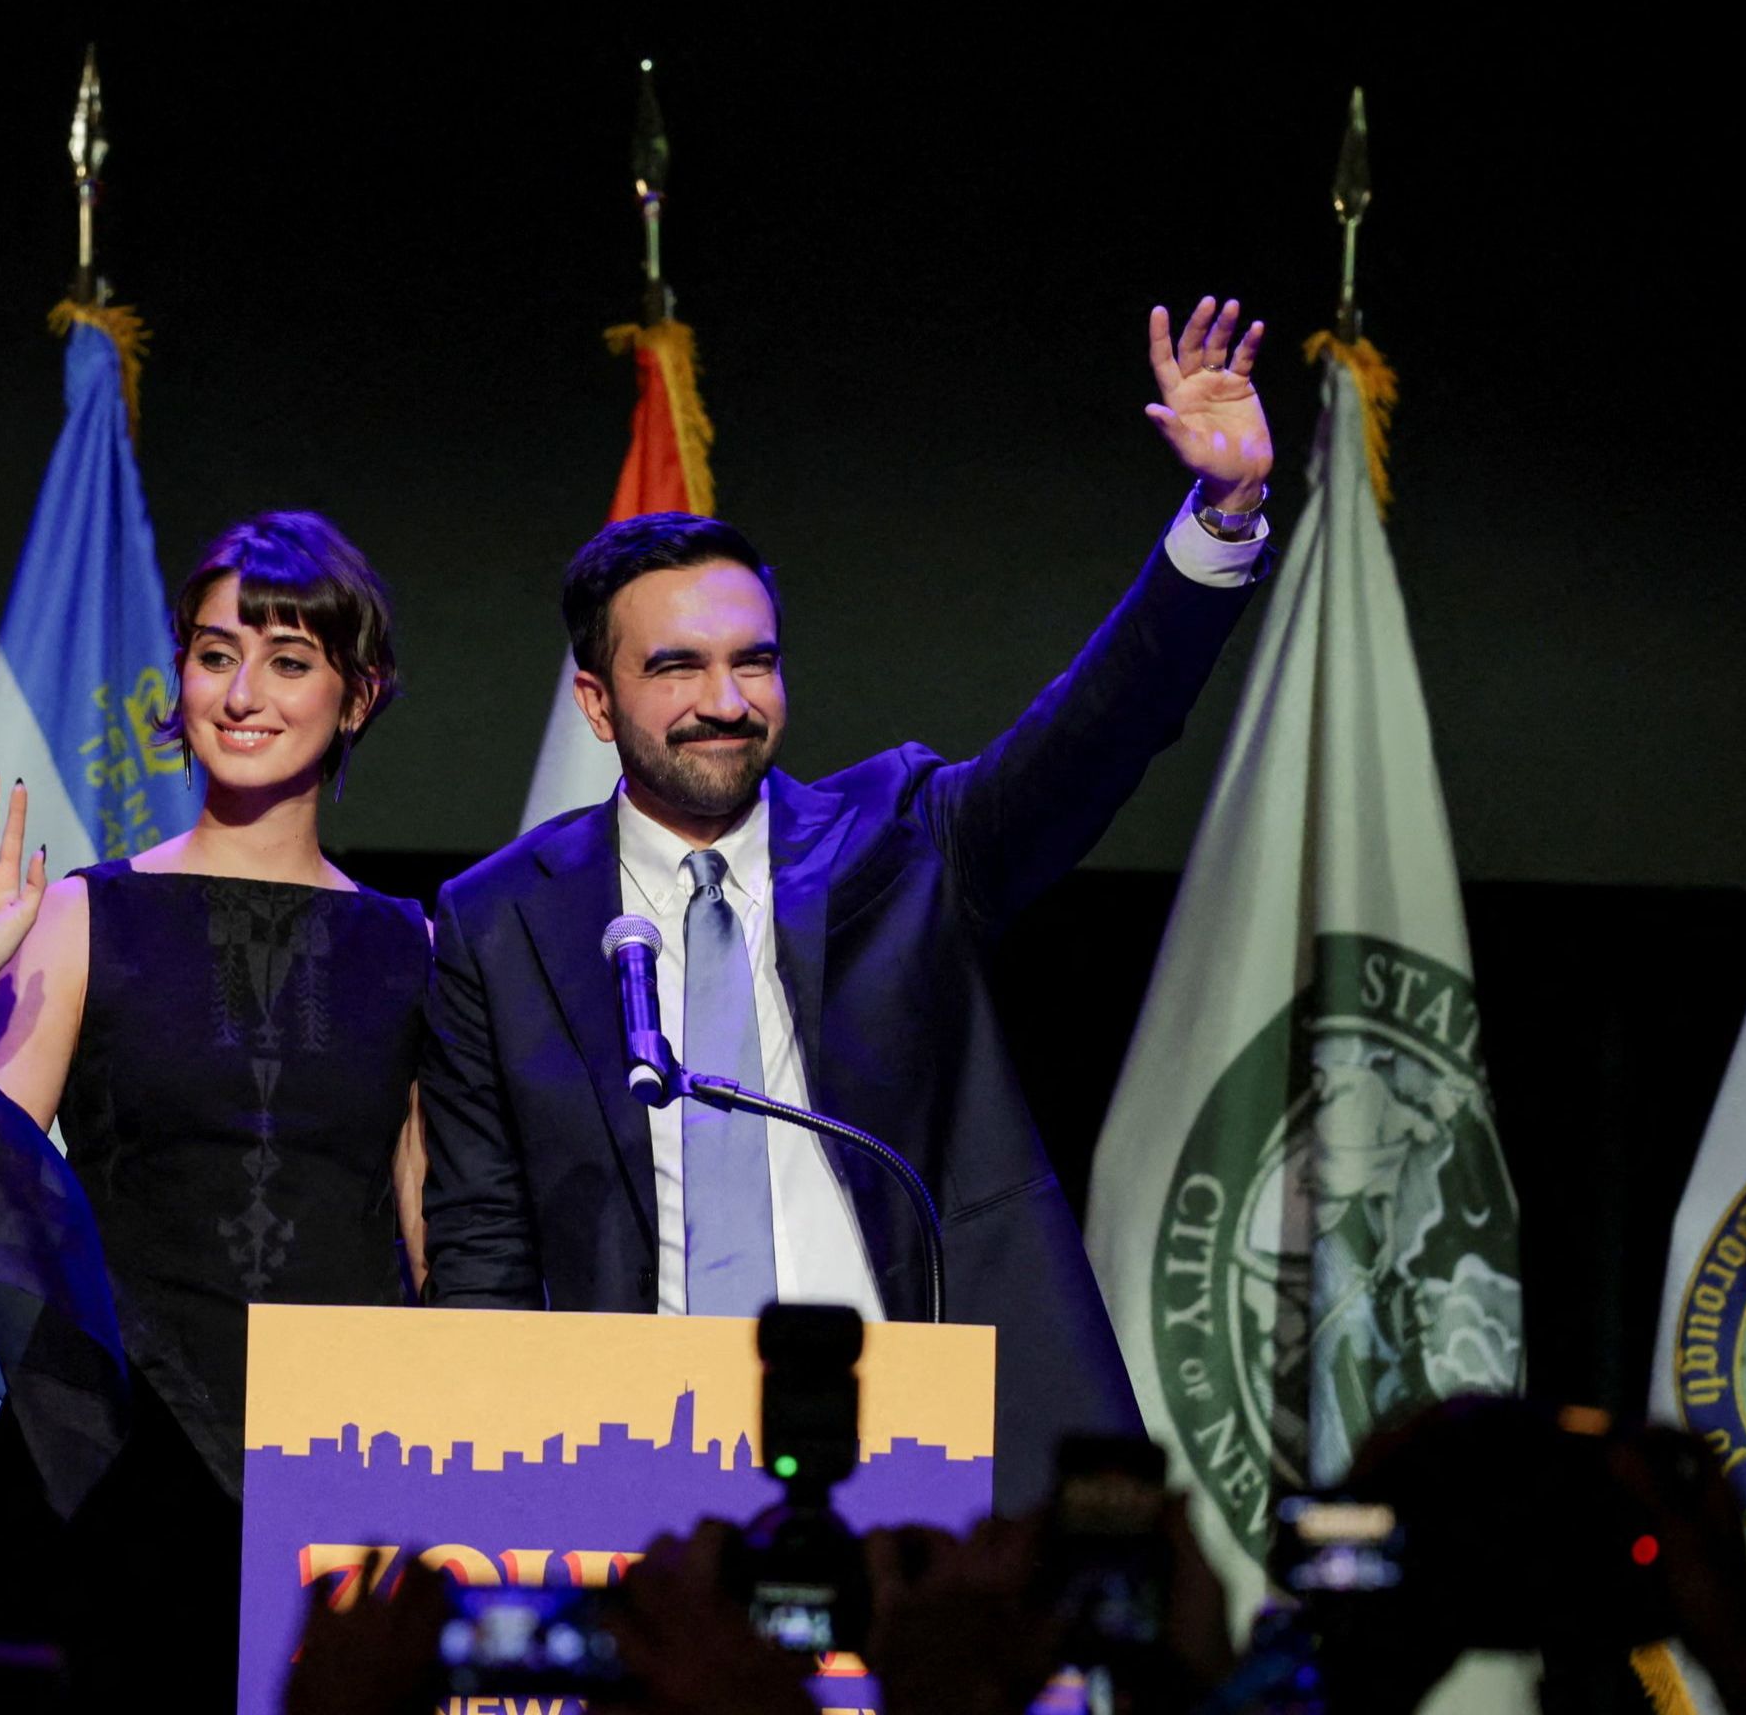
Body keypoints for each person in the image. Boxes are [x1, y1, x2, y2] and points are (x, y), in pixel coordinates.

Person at [419, 297, 1275, 1512]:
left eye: (753, 661)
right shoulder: (498, 922)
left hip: (926, 1443)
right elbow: (483, 1246)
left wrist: (1219, 517)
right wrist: (490, 1494)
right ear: (596, 703)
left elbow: (1096, 735)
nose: (725, 700)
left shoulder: (903, 840)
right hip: (630, 1460)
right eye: (676, 667)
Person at [0, 510, 430, 1699]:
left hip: (335, 1477)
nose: (241, 693)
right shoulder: (86, 918)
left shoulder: (410, 948)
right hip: (112, 1473)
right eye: (214, 654)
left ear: (356, 697)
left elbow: (426, 1247)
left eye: (288, 661)